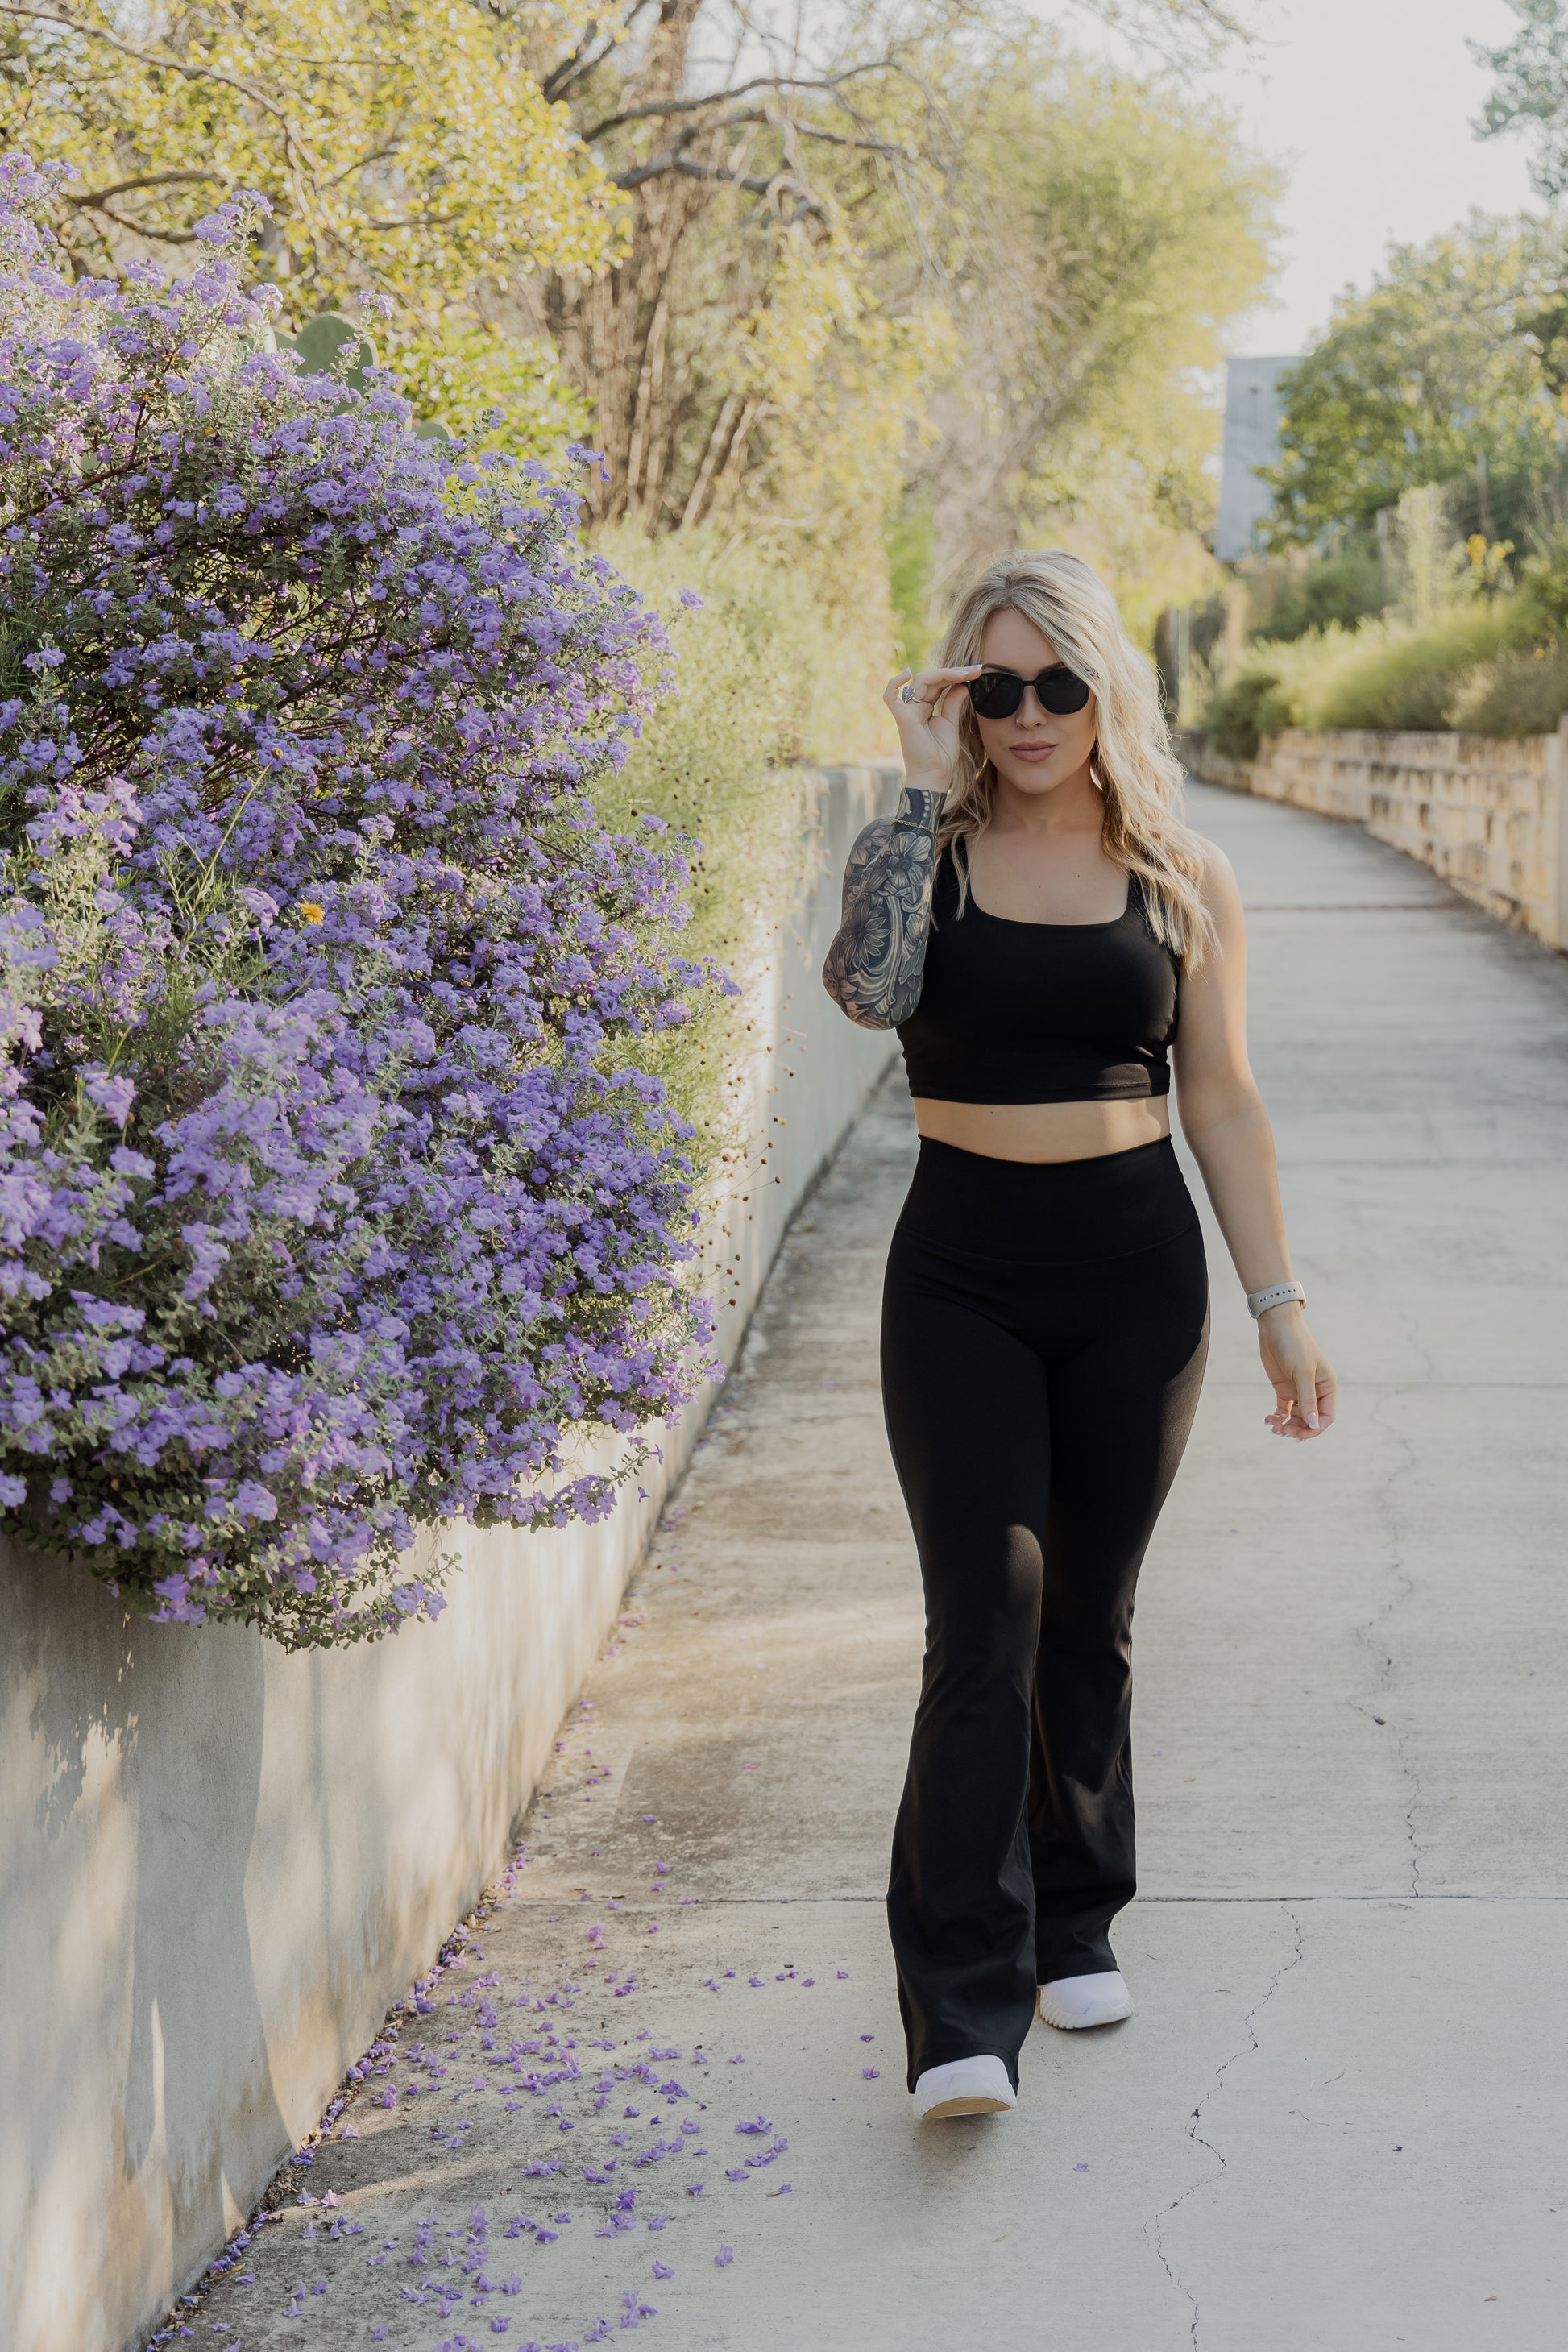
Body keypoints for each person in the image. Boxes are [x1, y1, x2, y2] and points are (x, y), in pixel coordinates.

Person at [821, 549, 1335, 2123]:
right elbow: (864, 991)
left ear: (1104, 686)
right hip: (960, 1278)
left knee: (1087, 1615)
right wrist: (915, 791)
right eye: (994, 685)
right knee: (982, 1620)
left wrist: (1277, 1302)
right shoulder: (929, 848)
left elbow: (1225, 1101)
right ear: (957, 696)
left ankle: (1074, 1909)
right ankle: (960, 2008)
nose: (1028, 713)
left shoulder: (1181, 868)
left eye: (1056, 681)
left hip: (1136, 1279)